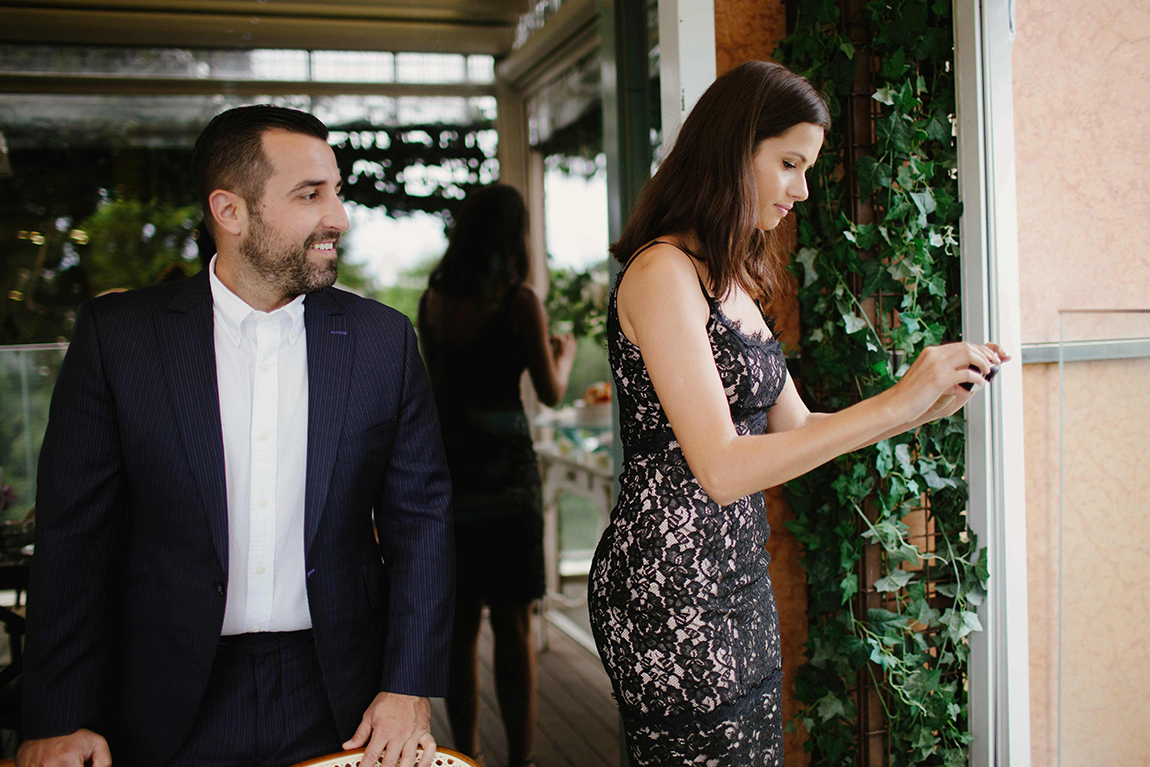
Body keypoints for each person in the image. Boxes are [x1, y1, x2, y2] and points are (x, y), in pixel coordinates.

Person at [586, 61, 1010, 765]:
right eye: (789, 163)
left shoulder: (732, 281)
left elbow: (799, 429)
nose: (802, 190)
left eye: (806, 167)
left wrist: (923, 407)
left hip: (737, 584)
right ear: (733, 148)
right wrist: (896, 397)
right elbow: (722, 468)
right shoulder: (661, 273)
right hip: (669, 596)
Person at [19, 105, 454, 767]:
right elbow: (72, 536)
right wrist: (55, 714)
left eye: (335, 191)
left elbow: (421, 521)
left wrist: (410, 683)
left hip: (341, 697)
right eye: (310, 194)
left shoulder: (381, 341)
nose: (337, 216)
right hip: (160, 695)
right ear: (229, 210)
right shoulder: (120, 338)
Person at [416, 184, 576, 767]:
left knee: (458, 627)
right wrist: (564, 351)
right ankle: (522, 760)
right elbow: (553, 392)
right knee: (512, 624)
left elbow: (433, 388)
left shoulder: (433, 298)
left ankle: (464, 752)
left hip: (451, 473)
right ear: (513, 236)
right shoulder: (518, 300)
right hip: (507, 478)